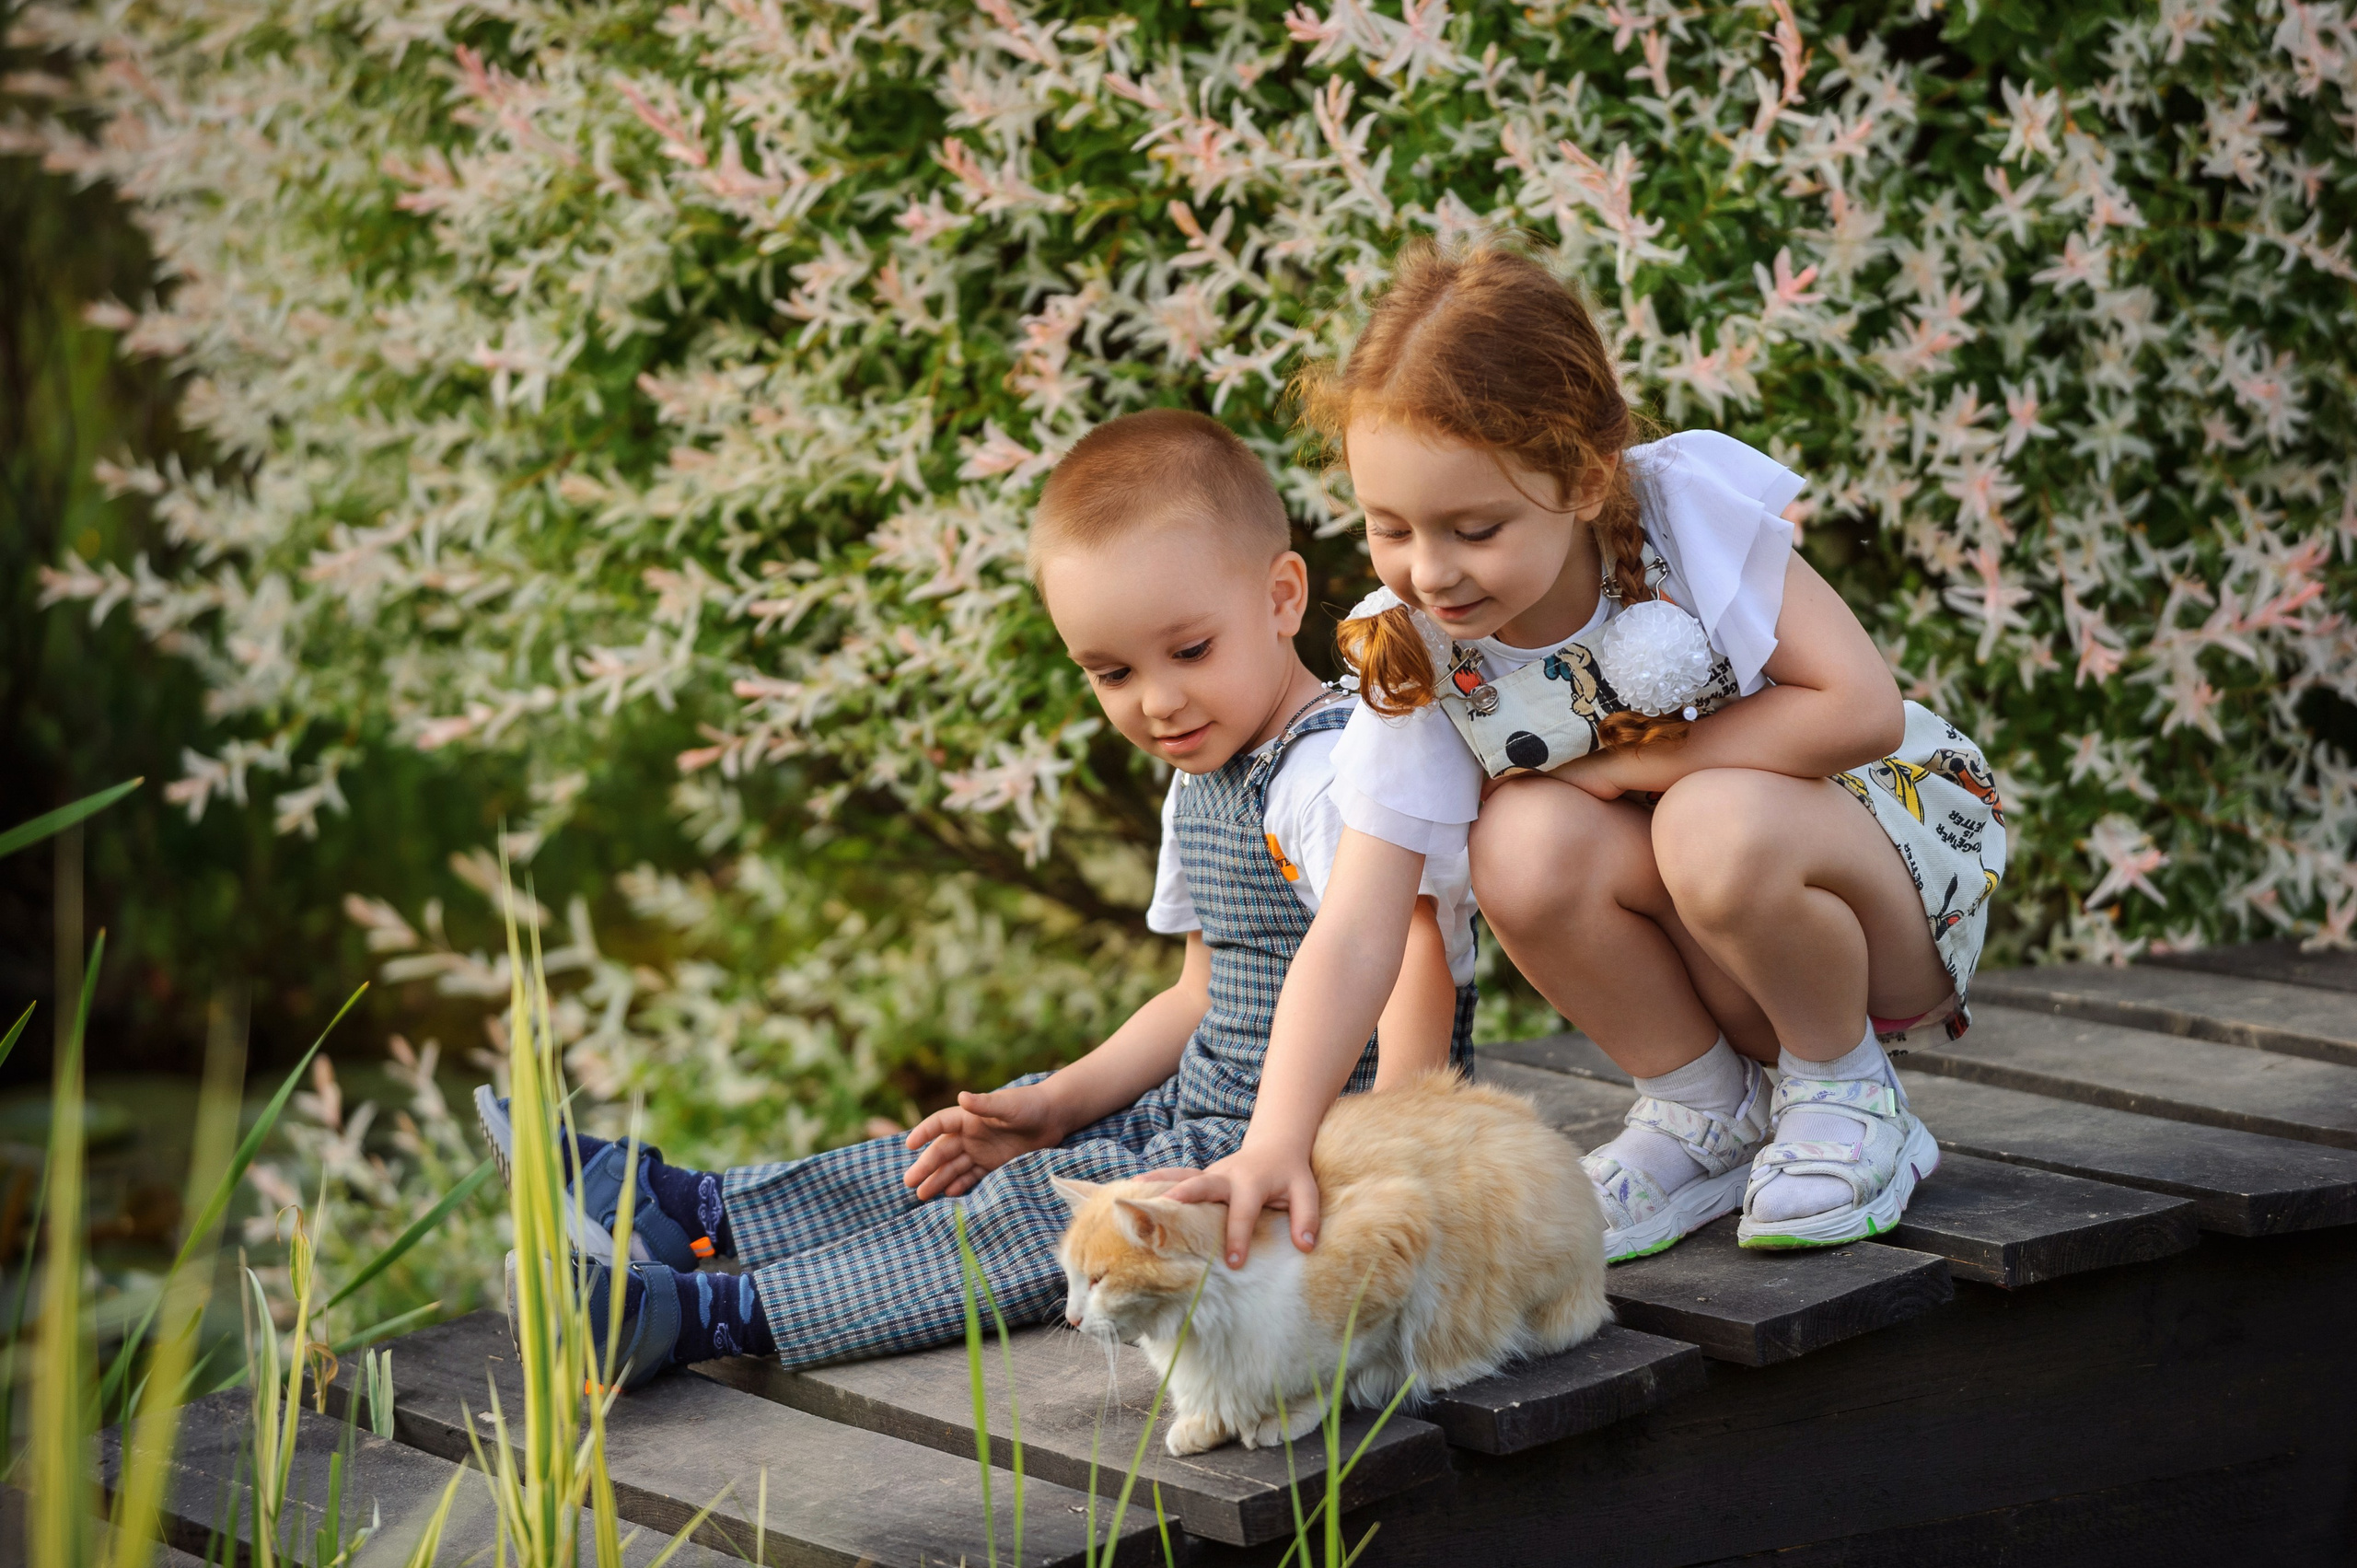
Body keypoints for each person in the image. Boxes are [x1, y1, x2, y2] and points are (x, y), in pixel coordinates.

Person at [479, 407, 1478, 1384]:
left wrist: (1381, 1168)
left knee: (1033, 1214)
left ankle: (700, 1316)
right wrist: (1053, 1105)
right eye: (1111, 672)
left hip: (1310, 1141)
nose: (1157, 700)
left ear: (1282, 597)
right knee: (971, 1155)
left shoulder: (1329, 775)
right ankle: (690, 1213)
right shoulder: (1203, 779)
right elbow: (1199, 993)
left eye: (1189, 652)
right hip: (1206, 1112)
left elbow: (1409, 957)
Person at [1161, 242, 2006, 1267]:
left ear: (1585, 475)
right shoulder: (1416, 649)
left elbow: (1860, 708)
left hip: (1876, 905)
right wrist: (1274, 1141)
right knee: (1515, 839)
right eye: (1391, 528)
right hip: (1717, 955)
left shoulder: (1681, 519)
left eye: (1475, 528)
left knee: (1709, 819)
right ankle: (1707, 1110)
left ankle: (1848, 1094)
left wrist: (1633, 767)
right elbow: (1354, 929)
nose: (1431, 572)